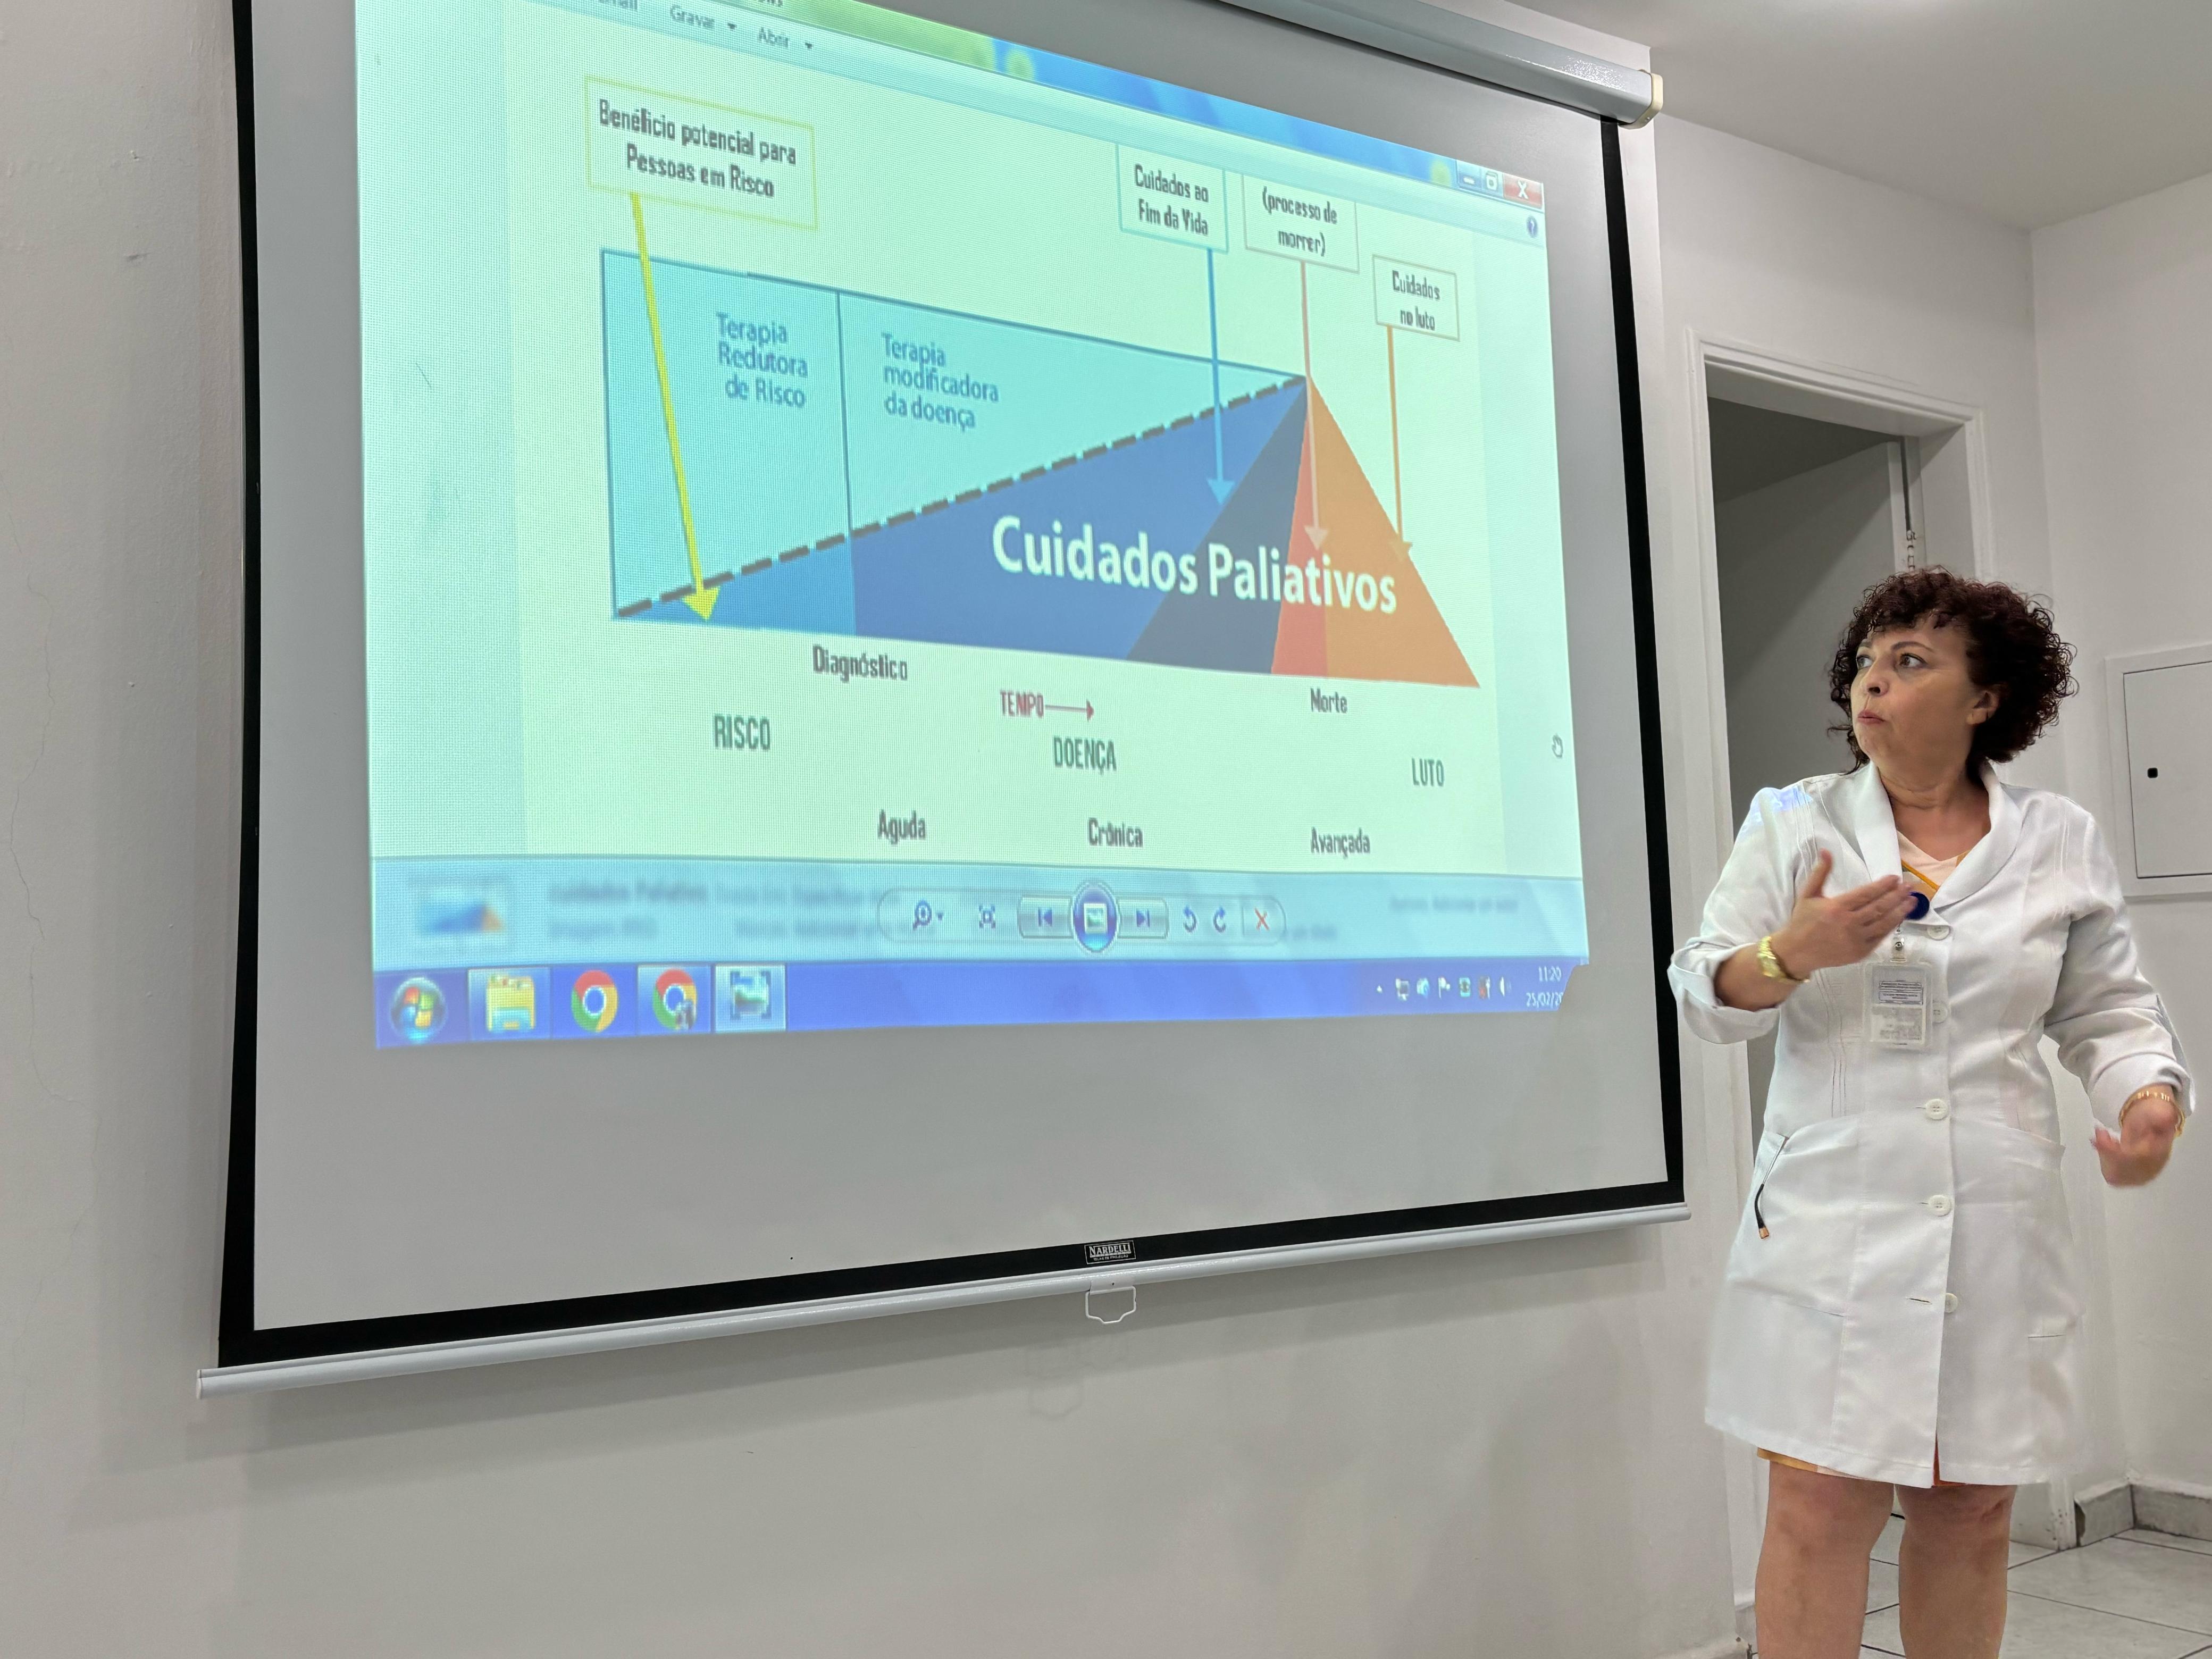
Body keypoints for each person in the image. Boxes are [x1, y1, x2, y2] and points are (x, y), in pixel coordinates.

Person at [1670, 568, 2190, 1659]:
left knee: (1971, 1509)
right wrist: (1790, 953)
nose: (1873, 681)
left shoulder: (2056, 837)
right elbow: (1706, 994)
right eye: (1867, 660)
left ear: (1984, 698)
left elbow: (2107, 1010)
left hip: (1995, 1229)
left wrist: (2146, 1099)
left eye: (1910, 662)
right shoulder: (1793, 823)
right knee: (1819, 1507)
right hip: (1832, 1226)